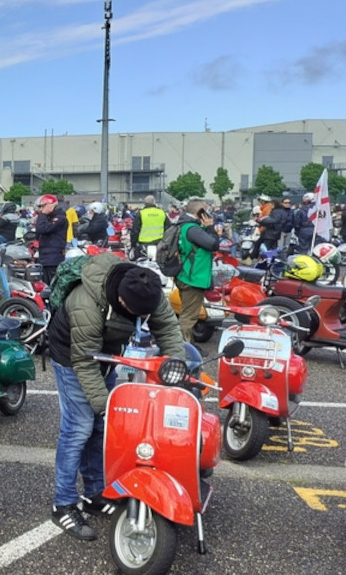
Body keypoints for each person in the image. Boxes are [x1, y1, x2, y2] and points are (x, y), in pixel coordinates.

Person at [45, 252, 186, 540]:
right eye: (138, 315)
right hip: (73, 356)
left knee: (100, 428)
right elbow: (84, 363)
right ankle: (64, 503)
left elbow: (168, 329)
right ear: (122, 302)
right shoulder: (86, 304)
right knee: (79, 427)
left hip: (107, 354)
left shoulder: (148, 290)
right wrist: (102, 406)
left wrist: (177, 371)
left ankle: (96, 493)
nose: (143, 319)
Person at [174, 201, 220, 343]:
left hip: (186, 275)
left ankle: (186, 345)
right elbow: (213, 244)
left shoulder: (185, 225)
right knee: (189, 316)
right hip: (193, 277)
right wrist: (210, 228)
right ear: (200, 212)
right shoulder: (193, 229)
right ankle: (185, 349)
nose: (209, 214)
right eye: (206, 211)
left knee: (187, 313)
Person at [34, 194, 68, 285]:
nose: (41, 209)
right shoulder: (48, 218)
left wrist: (43, 214)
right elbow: (38, 233)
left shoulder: (59, 218)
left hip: (53, 258)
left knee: (52, 285)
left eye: (42, 206)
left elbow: (42, 229)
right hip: (46, 257)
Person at [130, 195, 166, 261]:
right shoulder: (162, 212)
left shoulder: (141, 213)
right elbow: (168, 229)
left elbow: (135, 231)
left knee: (143, 263)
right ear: (154, 202)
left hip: (144, 245)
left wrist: (133, 244)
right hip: (159, 243)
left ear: (144, 204)